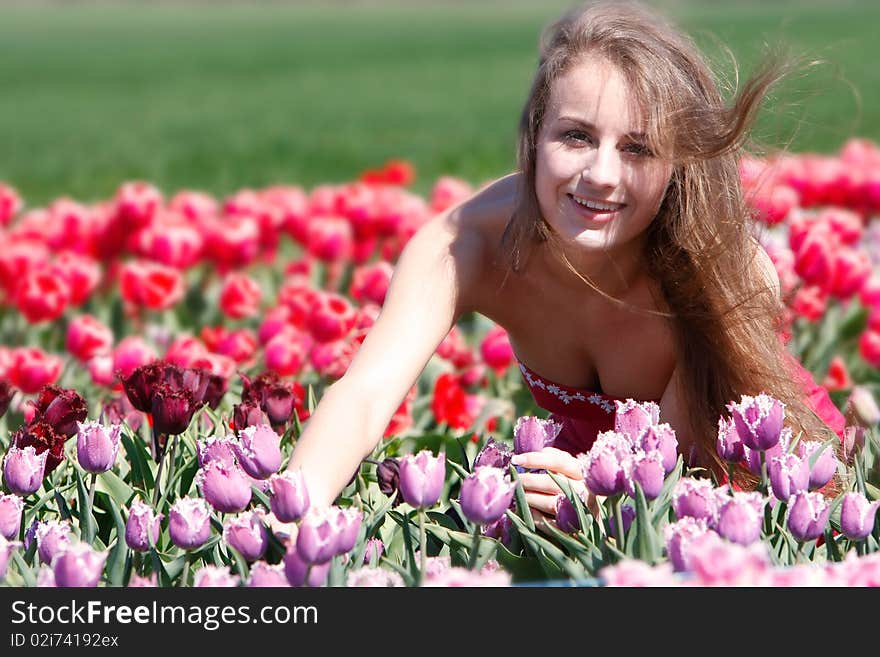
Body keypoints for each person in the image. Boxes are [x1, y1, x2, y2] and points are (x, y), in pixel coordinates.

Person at [284, 0, 845, 526]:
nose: (601, 174)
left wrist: (606, 500)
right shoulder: (463, 245)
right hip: (577, 489)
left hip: (750, 493)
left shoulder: (722, 268)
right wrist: (286, 519)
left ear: (677, 163)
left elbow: (679, 473)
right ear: (534, 138)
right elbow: (362, 397)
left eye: (638, 148)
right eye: (576, 136)